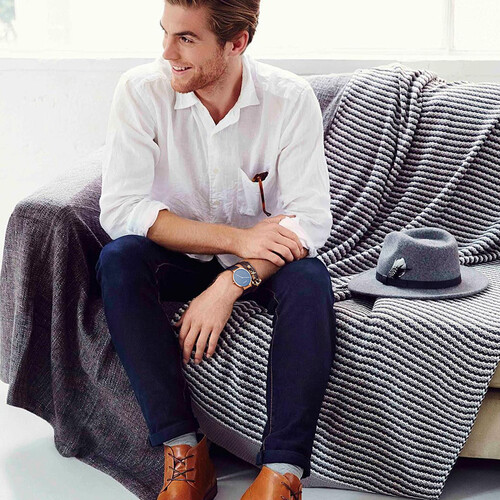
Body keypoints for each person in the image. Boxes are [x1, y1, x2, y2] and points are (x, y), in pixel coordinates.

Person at [95, 0, 336, 498]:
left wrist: (229, 284)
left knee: (312, 278)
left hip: (261, 266)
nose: (167, 52)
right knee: (118, 260)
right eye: (165, 33)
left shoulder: (290, 99)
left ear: (236, 42)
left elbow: (309, 220)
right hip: (182, 258)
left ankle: (282, 472)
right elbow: (122, 210)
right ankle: (184, 453)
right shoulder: (140, 92)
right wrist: (236, 238)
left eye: (186, 39)